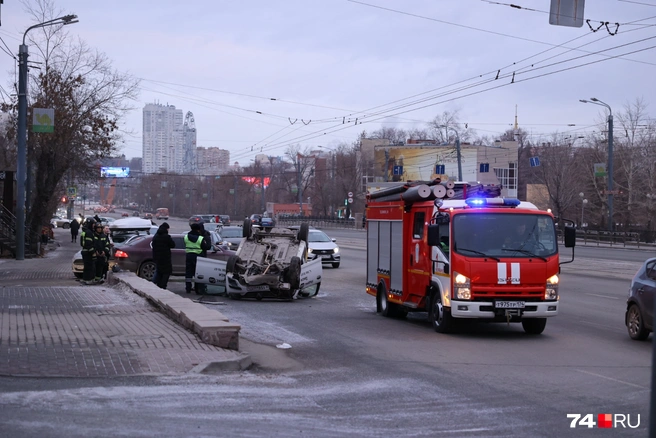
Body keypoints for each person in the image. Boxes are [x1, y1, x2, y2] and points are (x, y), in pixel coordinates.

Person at [184, 223, 211, 294]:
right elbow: (205, 247)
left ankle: (188, 288)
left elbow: (185, 244)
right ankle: (198, 289)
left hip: (189, 256)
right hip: (198, 257)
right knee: (198, 273)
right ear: (198, 230)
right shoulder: (200, 238)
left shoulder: (186, 237)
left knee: (188, 273)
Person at [152, 222, 175, 289]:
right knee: (166, 272)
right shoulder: (167, 237)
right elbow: (173, 245)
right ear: (166, 229)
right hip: (165, 258)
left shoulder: (156, 236)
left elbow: (153, 245)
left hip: (157, 257)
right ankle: (162, 285)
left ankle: (157, 285)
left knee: (159, 271)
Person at [80, 218, 97, 285]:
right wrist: (93, 252)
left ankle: (86, 279)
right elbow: (88, 244)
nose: (94, 225)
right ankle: (88, 280)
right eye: (93, 224)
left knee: (87, 266)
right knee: (90, 266)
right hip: (88, 253)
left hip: (85, 252)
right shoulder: (89, 232)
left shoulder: (85, 231)